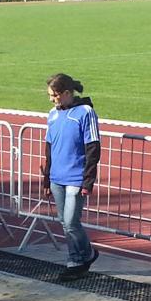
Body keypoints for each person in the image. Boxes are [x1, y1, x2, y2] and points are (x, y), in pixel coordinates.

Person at [42, 73, 101, 281]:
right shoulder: (52, 114)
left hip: (76, 177)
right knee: (65, 223)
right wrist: (47, 178)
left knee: (71, 221)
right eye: (50, 95)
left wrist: (88, 180)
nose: (52, 100)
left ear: (67, 93)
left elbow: (93, 147)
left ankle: (81, 257)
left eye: (55, 95)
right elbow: (49, 148)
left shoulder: (85, 112)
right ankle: (80, 257)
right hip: (57, 177)